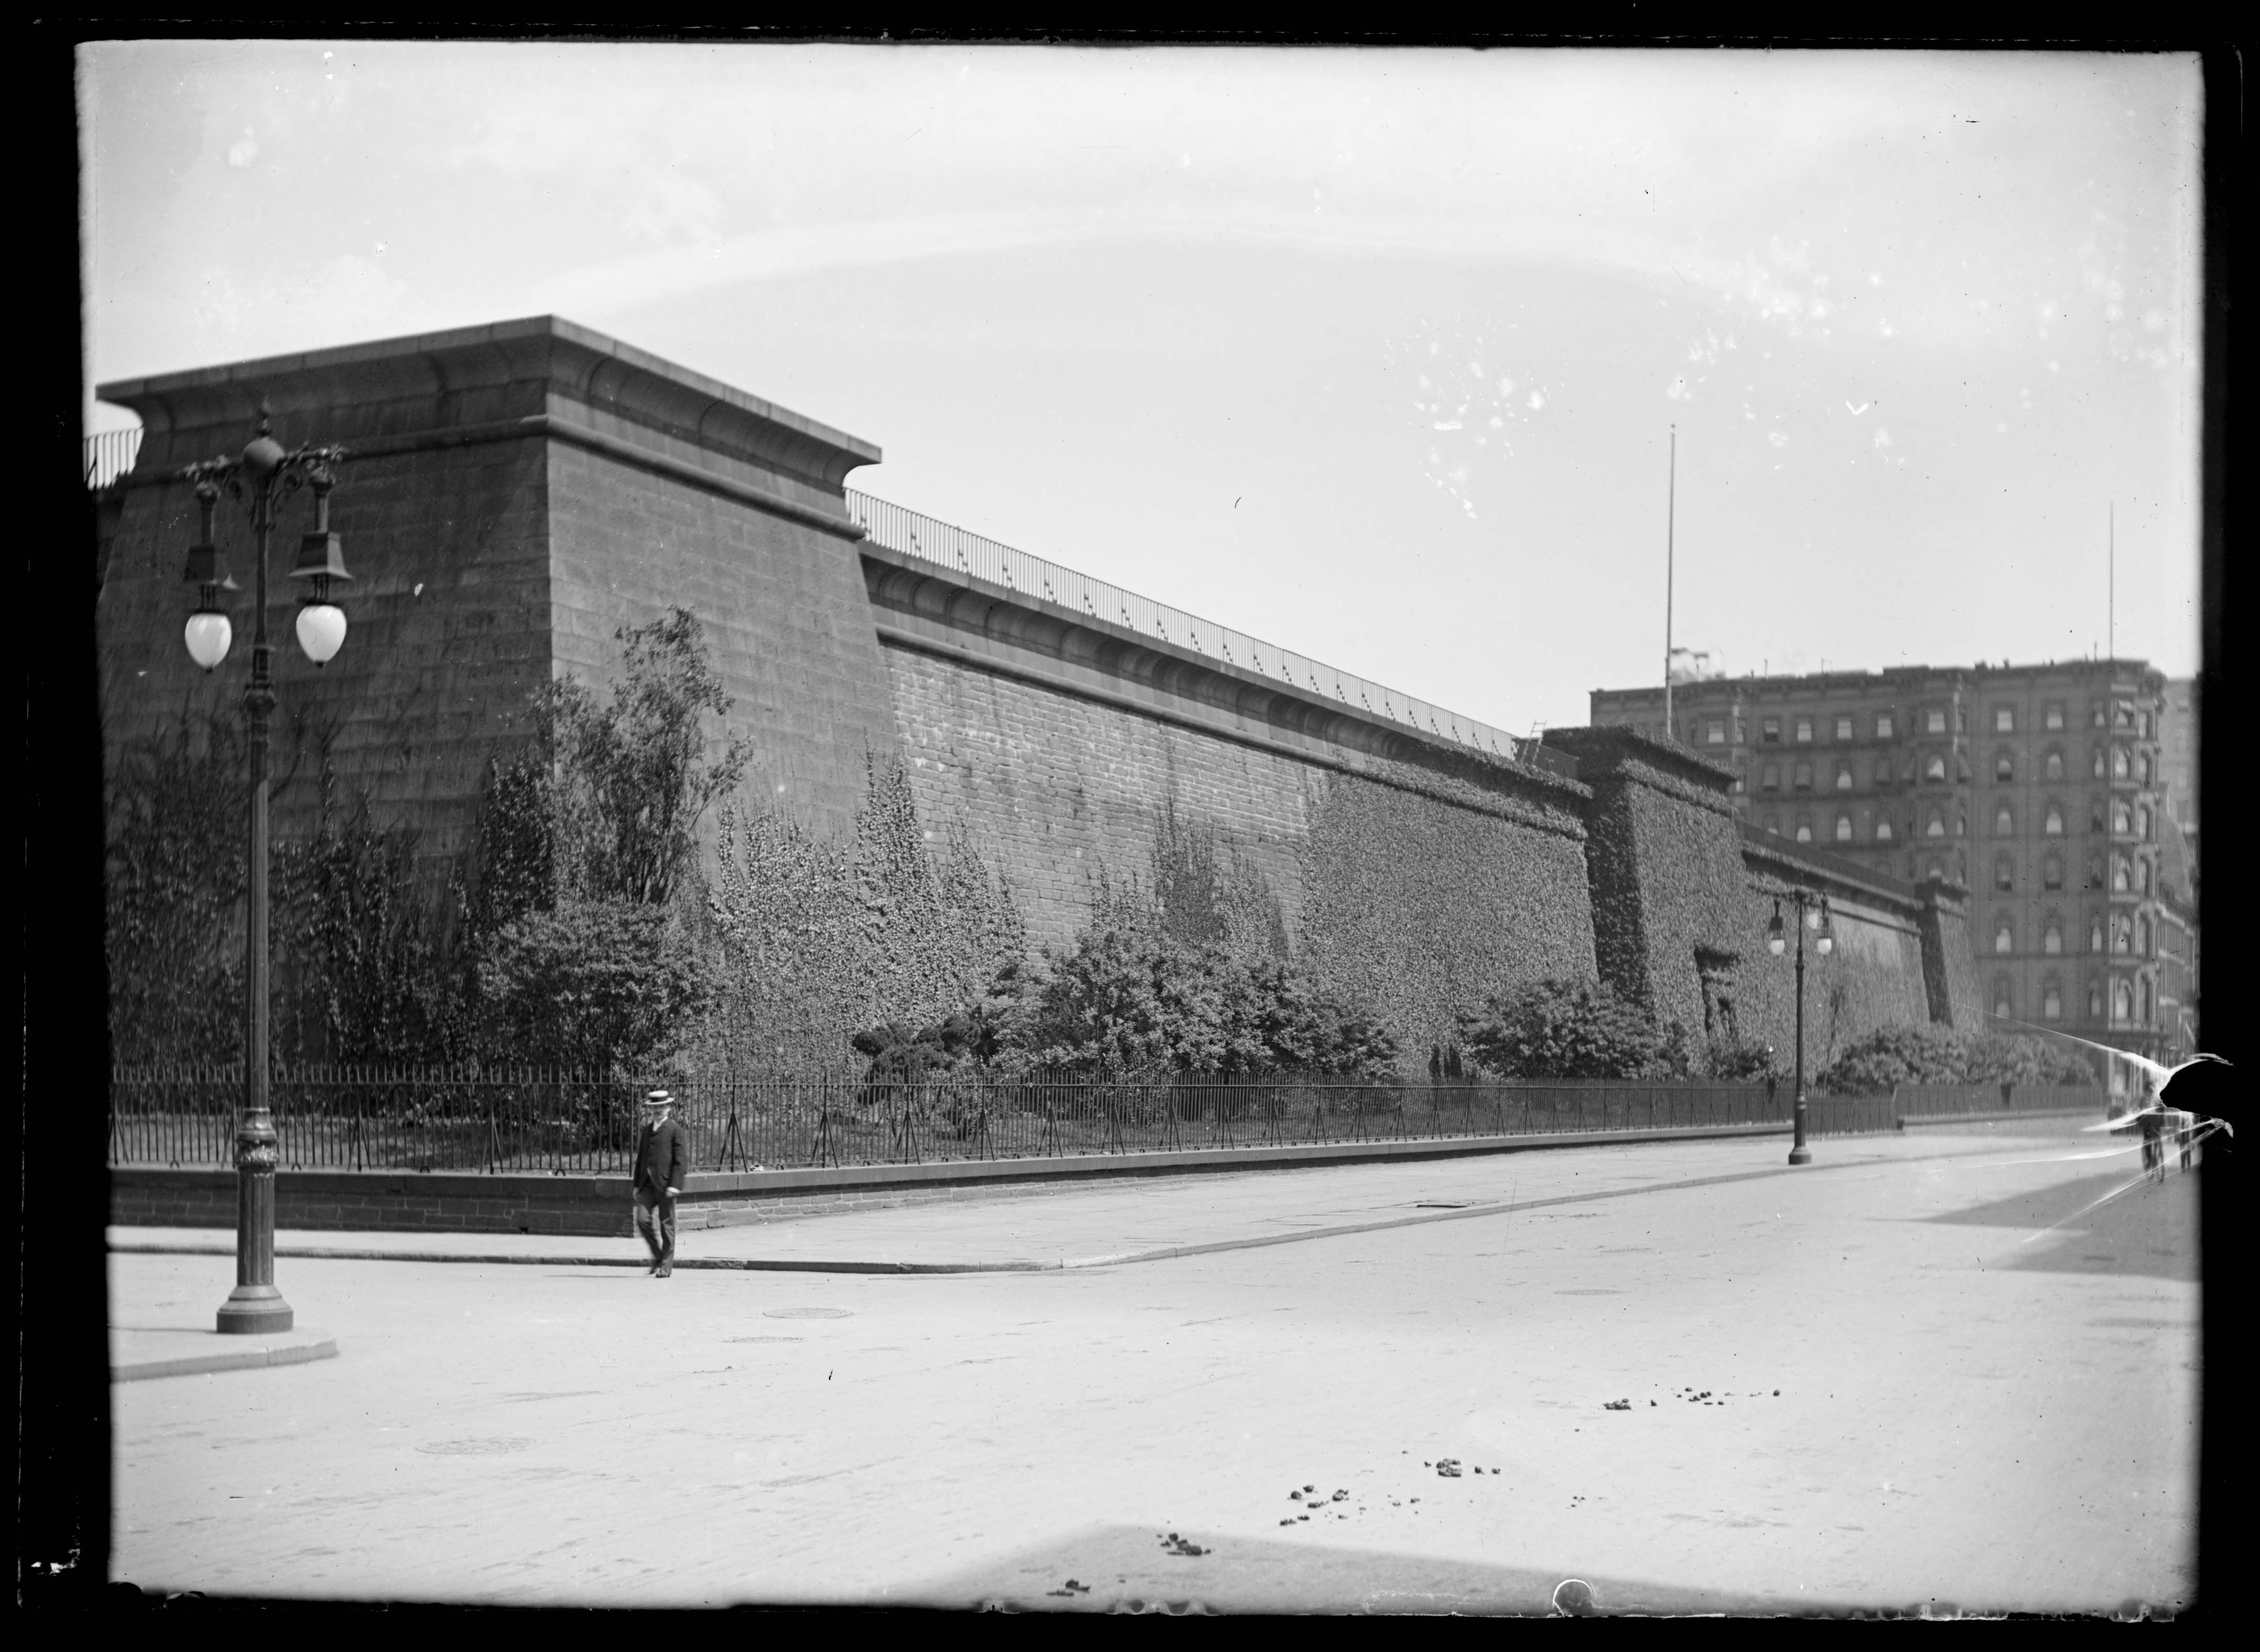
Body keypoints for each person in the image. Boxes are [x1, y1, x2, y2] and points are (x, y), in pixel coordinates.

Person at [633, 1089, 691, 1278]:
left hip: (667, 1186)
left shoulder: (675, 1130)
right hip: (647, 1186)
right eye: (655, 1107)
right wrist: (636, 1185)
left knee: (667, 1226)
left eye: (661, 1106)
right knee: (642, 1220)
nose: (658, 1110)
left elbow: (681, 1162)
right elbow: (641, 1159)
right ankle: (658, 1256)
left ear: (668, 1107)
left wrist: (675, 1185)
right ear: (651, 1109)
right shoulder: (647, 1130)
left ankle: (666, 1266)